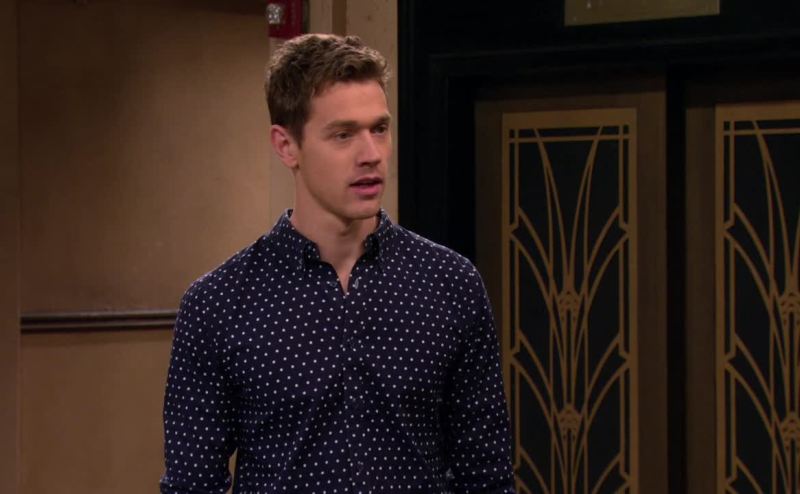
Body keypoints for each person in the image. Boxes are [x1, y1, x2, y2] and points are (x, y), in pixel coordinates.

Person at [160, 33, 515, 493]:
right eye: (343, 135)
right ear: (286, 146)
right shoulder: (220, 304)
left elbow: (486, 475)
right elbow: (192, 484)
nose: (371, 155)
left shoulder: (450, 284)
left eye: (379, 129)